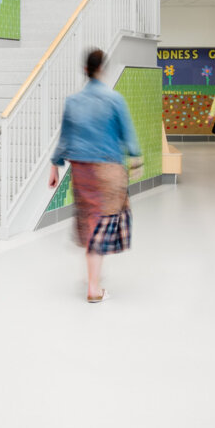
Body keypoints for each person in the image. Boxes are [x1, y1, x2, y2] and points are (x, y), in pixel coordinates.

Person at [47, 47, 138, 302]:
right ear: (102, 70)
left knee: (89, 220)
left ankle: (93, 276)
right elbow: (128, 135)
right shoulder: (114, 99)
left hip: (82, 171)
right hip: (108, 170)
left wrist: (54, 165)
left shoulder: (73, 101)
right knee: (102, 222)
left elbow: (65, 138)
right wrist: (135, 157)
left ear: (85, 70)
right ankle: (94, 289)